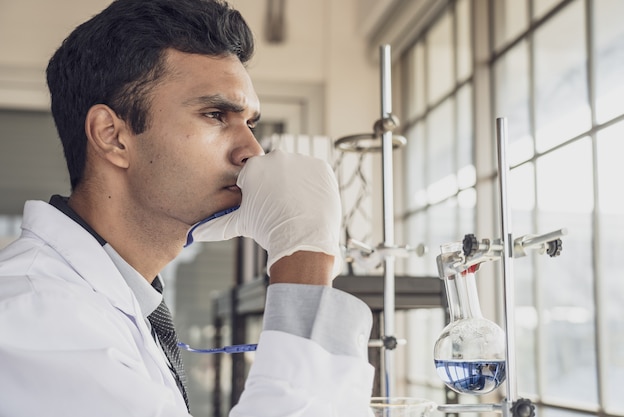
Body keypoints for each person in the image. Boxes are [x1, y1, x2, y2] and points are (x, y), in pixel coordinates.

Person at [0, 0, 375, 416]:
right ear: (112, 136)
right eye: (215, 115)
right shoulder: (35, 316)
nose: (253, 149)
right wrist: (305, 259)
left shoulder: (113, 298)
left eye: (250, 123)